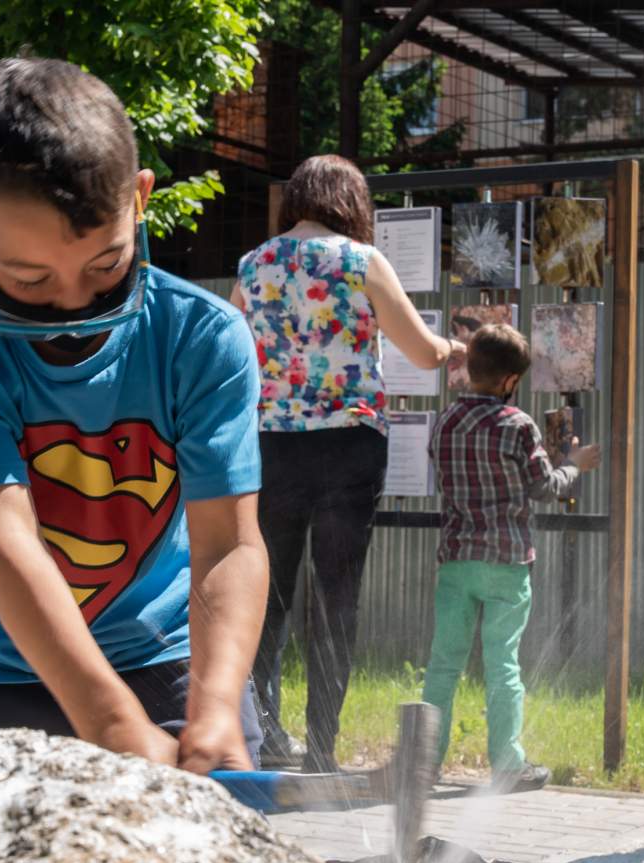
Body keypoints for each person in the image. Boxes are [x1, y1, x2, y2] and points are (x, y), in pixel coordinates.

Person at [0, 57, 264, 774]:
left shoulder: (203, 339)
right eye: (28, 279)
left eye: (105, 266)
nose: (72, 304)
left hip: (163, 661)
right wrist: (112, 723)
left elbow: (229, 546)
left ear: (140, 200)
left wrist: (214, 710)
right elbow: (5, 542)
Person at [230, 155, 463, 773]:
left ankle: (265, 736)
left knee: (268, 594)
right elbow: (420, 348)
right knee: (336, 596)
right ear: (353, 203)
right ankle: (322, 752)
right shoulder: (363, 261)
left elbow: (230, 350)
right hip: (349, 444)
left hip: (271, 443)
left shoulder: (254, 265)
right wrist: (450, 346)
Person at [422, 324, 600, 793]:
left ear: (470, 368)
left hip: (457, 558)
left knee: (444, 664)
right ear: (509, 382)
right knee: (503, 665)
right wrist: (575, 466)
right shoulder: (519, 424)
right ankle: (506, 764)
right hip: (506, 560)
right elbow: (543, 488)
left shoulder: (444, 421)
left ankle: (423, 763)